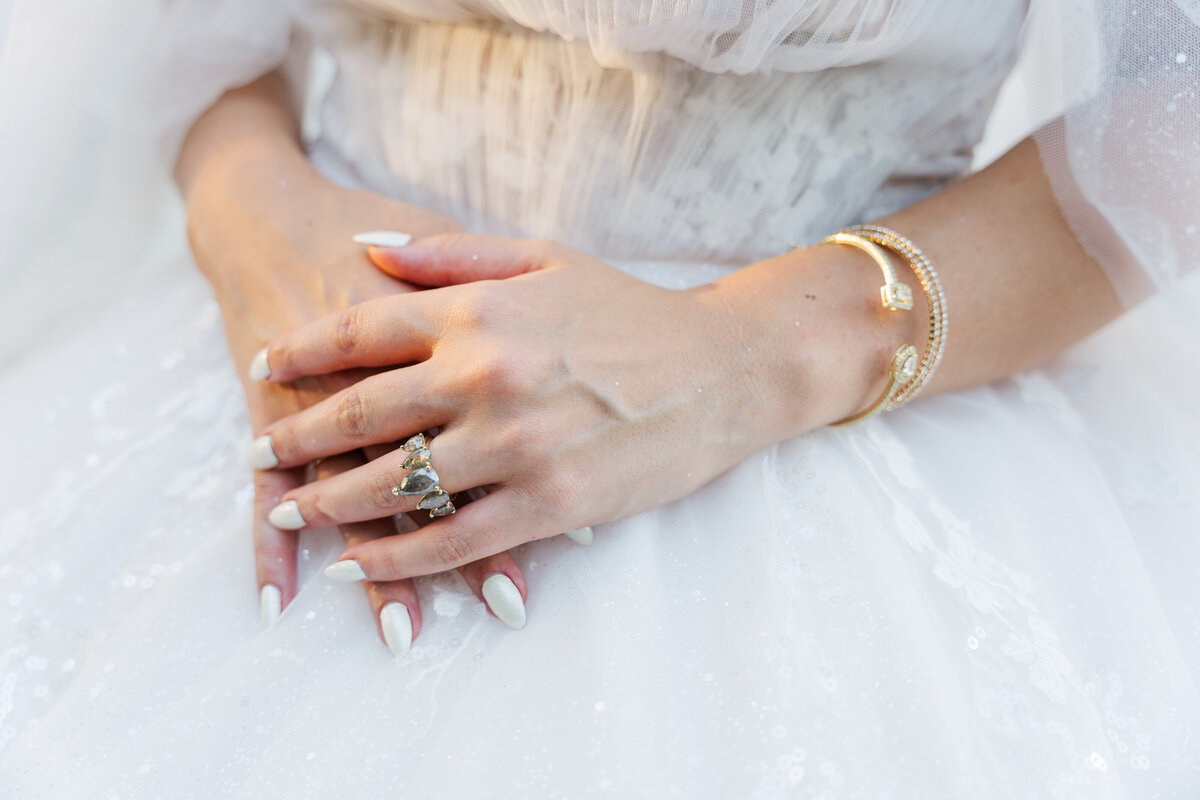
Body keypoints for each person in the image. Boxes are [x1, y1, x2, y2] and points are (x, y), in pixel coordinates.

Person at [0, 0, 1197, 796]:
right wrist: (249, 216)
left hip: (855, 407)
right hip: (285, 350)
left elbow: (1176, 97)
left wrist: (751, 356)